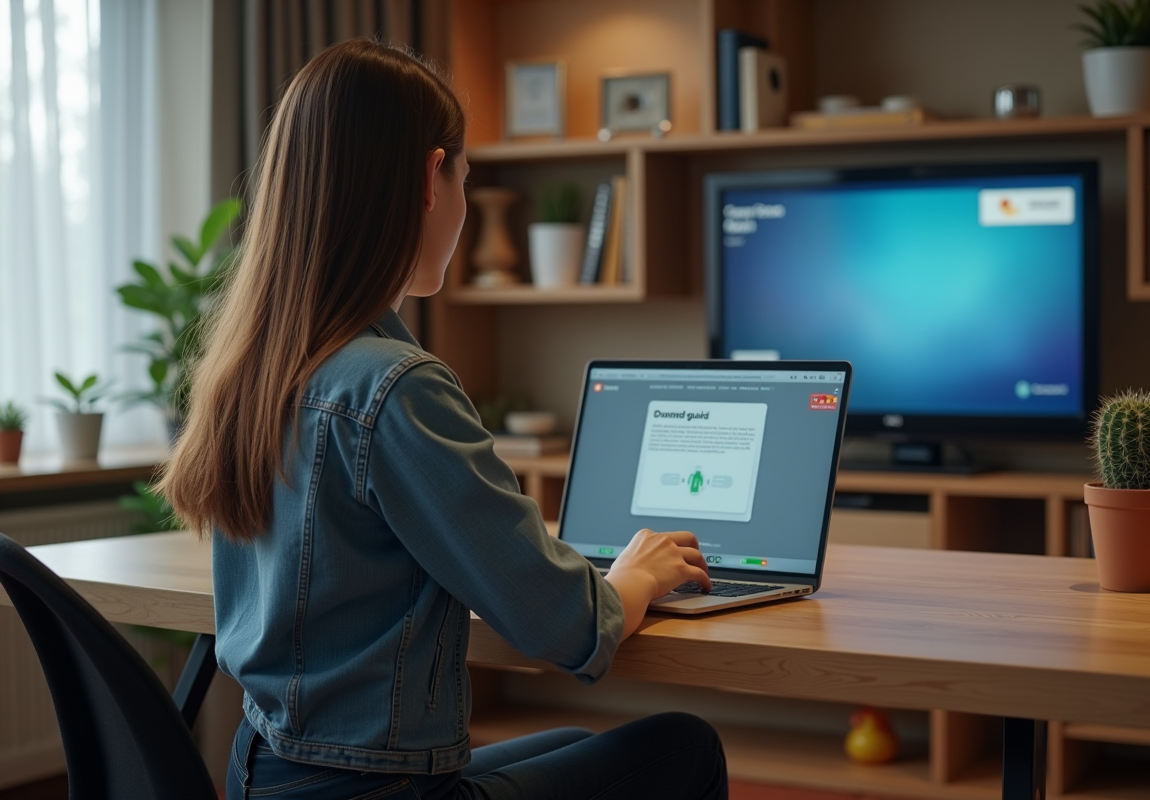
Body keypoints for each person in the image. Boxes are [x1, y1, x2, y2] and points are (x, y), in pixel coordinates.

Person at [159, 39, 728, 800]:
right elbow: (563, 625)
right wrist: (634, 576)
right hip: (374, 791)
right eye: (466, 175)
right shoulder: (395, 386)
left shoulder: (256, 369)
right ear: (433, 177)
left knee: (564, 743)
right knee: (682, 748)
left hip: (266, 770)